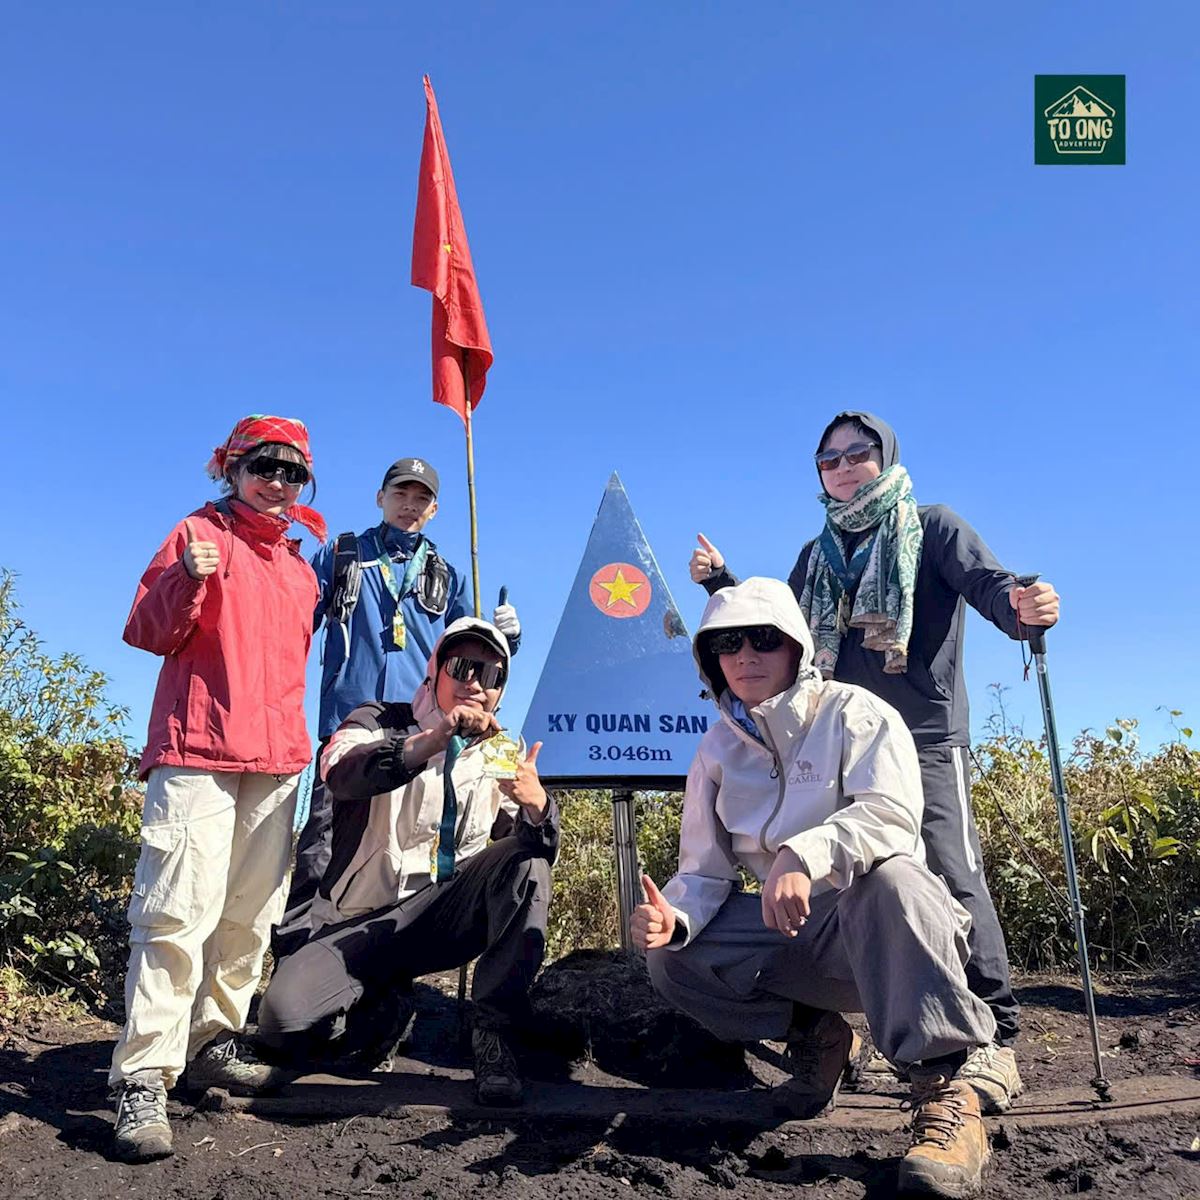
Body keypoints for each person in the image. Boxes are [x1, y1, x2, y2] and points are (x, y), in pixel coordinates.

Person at [689, 410, 1059, 1113]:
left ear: (885, 458)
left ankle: (995, 1034)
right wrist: (723, 585)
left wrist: (1020, 606)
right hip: (831, 739)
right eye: (828, 459)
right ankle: (847, 1024)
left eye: (857, 453)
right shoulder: (816, 555)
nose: (843, 467)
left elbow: (987, 583)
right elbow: (777, 628)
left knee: (946, 870)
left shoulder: (932, 526)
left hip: (922, 735)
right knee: (843, 877)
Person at [633, 577, 996, 1199]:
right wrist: (677, 919)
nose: (745, 655)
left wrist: (803, 853)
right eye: (726, 643)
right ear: (710, 658)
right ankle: (819, 1038)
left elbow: (890, 819)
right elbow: (703, 872)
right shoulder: (715, 749)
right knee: (671, 956)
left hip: (889, 936)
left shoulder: (856, 712)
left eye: (763, 639)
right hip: (794, 935)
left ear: (796, 646)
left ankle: (945, 1091)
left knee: (893, 879)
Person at [109, 416, 326, 1163]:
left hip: (275, 764)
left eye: (293, 472)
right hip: (196, 753)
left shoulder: (300, 567)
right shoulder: (196, 535)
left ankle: (212, 1043)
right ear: (231, 469)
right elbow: (146, 631)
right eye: (264, 466)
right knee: (175, 915)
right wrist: (186, 577)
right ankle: (143, 1075)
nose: (277, 482)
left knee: (249, 918)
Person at [253, 617, 556, 1107]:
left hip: (441, 920)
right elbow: (342, 773)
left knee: (528, 862)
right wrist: (431, 742)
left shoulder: (503, 752)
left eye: (492, 675)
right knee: (282, 1019)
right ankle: (382, 1005)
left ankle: (493, 1035)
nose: (476, 683)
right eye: (462, 667)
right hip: (357, 924)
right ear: (434, 671)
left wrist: (538, 808)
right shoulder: (374, 720)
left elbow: (521, 863)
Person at [275, 457, 521, 954]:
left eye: (421, 498)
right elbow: (292, 618)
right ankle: (295, 962)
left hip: (421, 732)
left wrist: (509, 638)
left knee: (407, 852)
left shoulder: (448, 575)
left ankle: (388, 963)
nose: (410, 505)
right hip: (352, 730)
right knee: (321, 849)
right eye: (400, 494)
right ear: (380, 498)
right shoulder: (342, 556)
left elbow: (473, 651)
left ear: (434, 510)